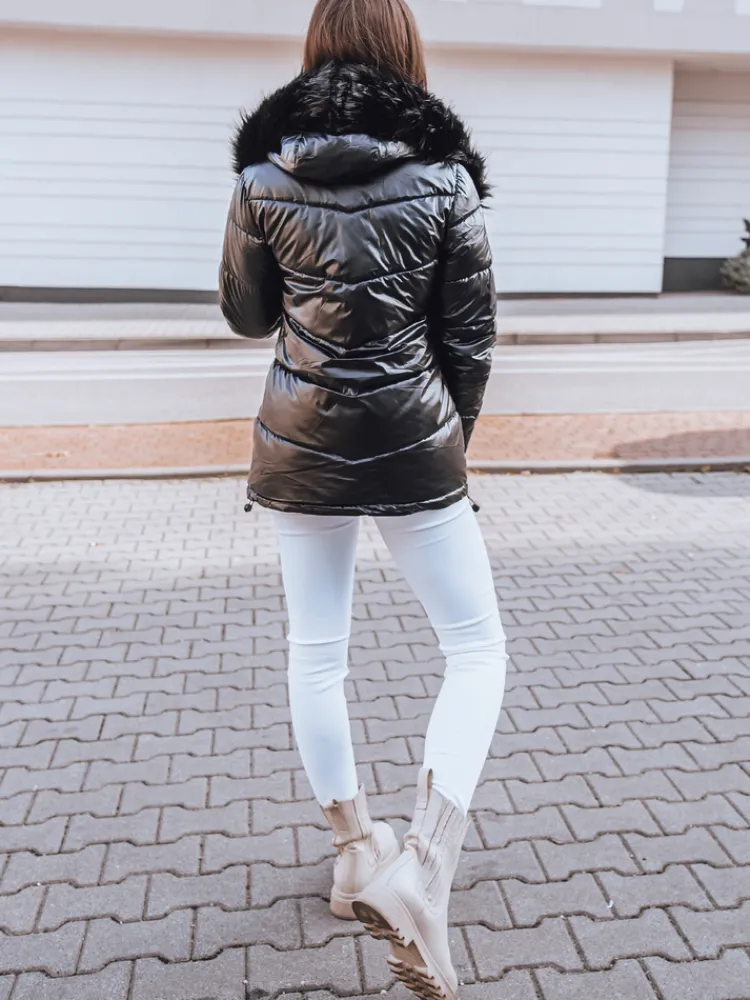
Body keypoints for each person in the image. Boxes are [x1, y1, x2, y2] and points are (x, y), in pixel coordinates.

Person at [219, 1, 508, 997]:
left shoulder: (263, 177)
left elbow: (245, 313)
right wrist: (447, 447)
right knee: (475, 649)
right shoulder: (446, 179)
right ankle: (420, 866)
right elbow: (469, 337)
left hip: (300, 443)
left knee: (316, 653)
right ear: (404, 51)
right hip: (414, 442)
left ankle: (354, 853)